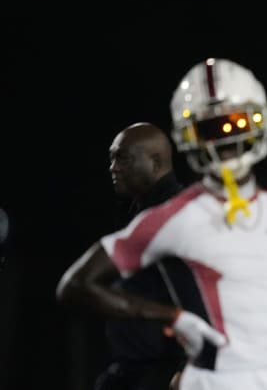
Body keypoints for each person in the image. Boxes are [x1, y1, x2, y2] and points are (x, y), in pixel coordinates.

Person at [57, 57, 267, 390]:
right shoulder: (173, 217)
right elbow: (76, 286)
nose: (225, 139)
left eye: (236, 123)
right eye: (211, 128)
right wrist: (172, 318)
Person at [96, 122, 187, 390]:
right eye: (112, 158)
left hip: (168, 371)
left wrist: (187, 367)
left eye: (122, 158)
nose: (113, 167)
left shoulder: (179, 214)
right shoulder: (138, 212)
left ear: (155, 161)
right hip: (137, 370)